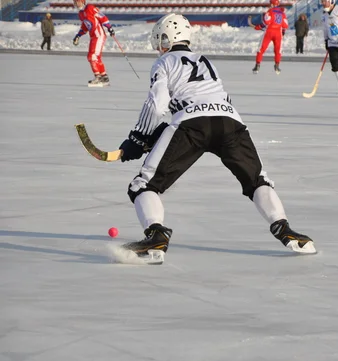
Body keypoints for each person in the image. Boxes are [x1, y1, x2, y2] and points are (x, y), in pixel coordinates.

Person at [117, 13, 316, 264]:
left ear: (166, 39)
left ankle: (156, 235)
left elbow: (157, 106)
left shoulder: (164, 62)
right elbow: (215, 97)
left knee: (143, 186)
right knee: (258, 181)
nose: (159, 46)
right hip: (230, 121)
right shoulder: (205, 60)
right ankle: (285, 230)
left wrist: (137, 138)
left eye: (160, 40)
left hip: (190, 124)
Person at [72, 0, 115, 87]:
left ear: (83, 2)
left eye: (78, 1)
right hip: (93, 37)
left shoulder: (90, 8)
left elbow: (102, 17)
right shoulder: (81, 14)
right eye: (75, 2)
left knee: (92, 56)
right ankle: (104, 77)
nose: (76, 4)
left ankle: (98, 77)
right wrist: (78, 35)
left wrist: (109, 27)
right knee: (95, 57)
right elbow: (85, 26)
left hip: (99, 35)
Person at [252, 0, 288, 74]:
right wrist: (283, 32)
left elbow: (266, 22)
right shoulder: (282, 13)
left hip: (269, 32)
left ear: (272, 4)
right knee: (278, 50)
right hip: (278, 33)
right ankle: (277, 66)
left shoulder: (270, 11)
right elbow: (285, 25)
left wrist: (258, 27)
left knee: (261, 49)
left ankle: (257, 66)